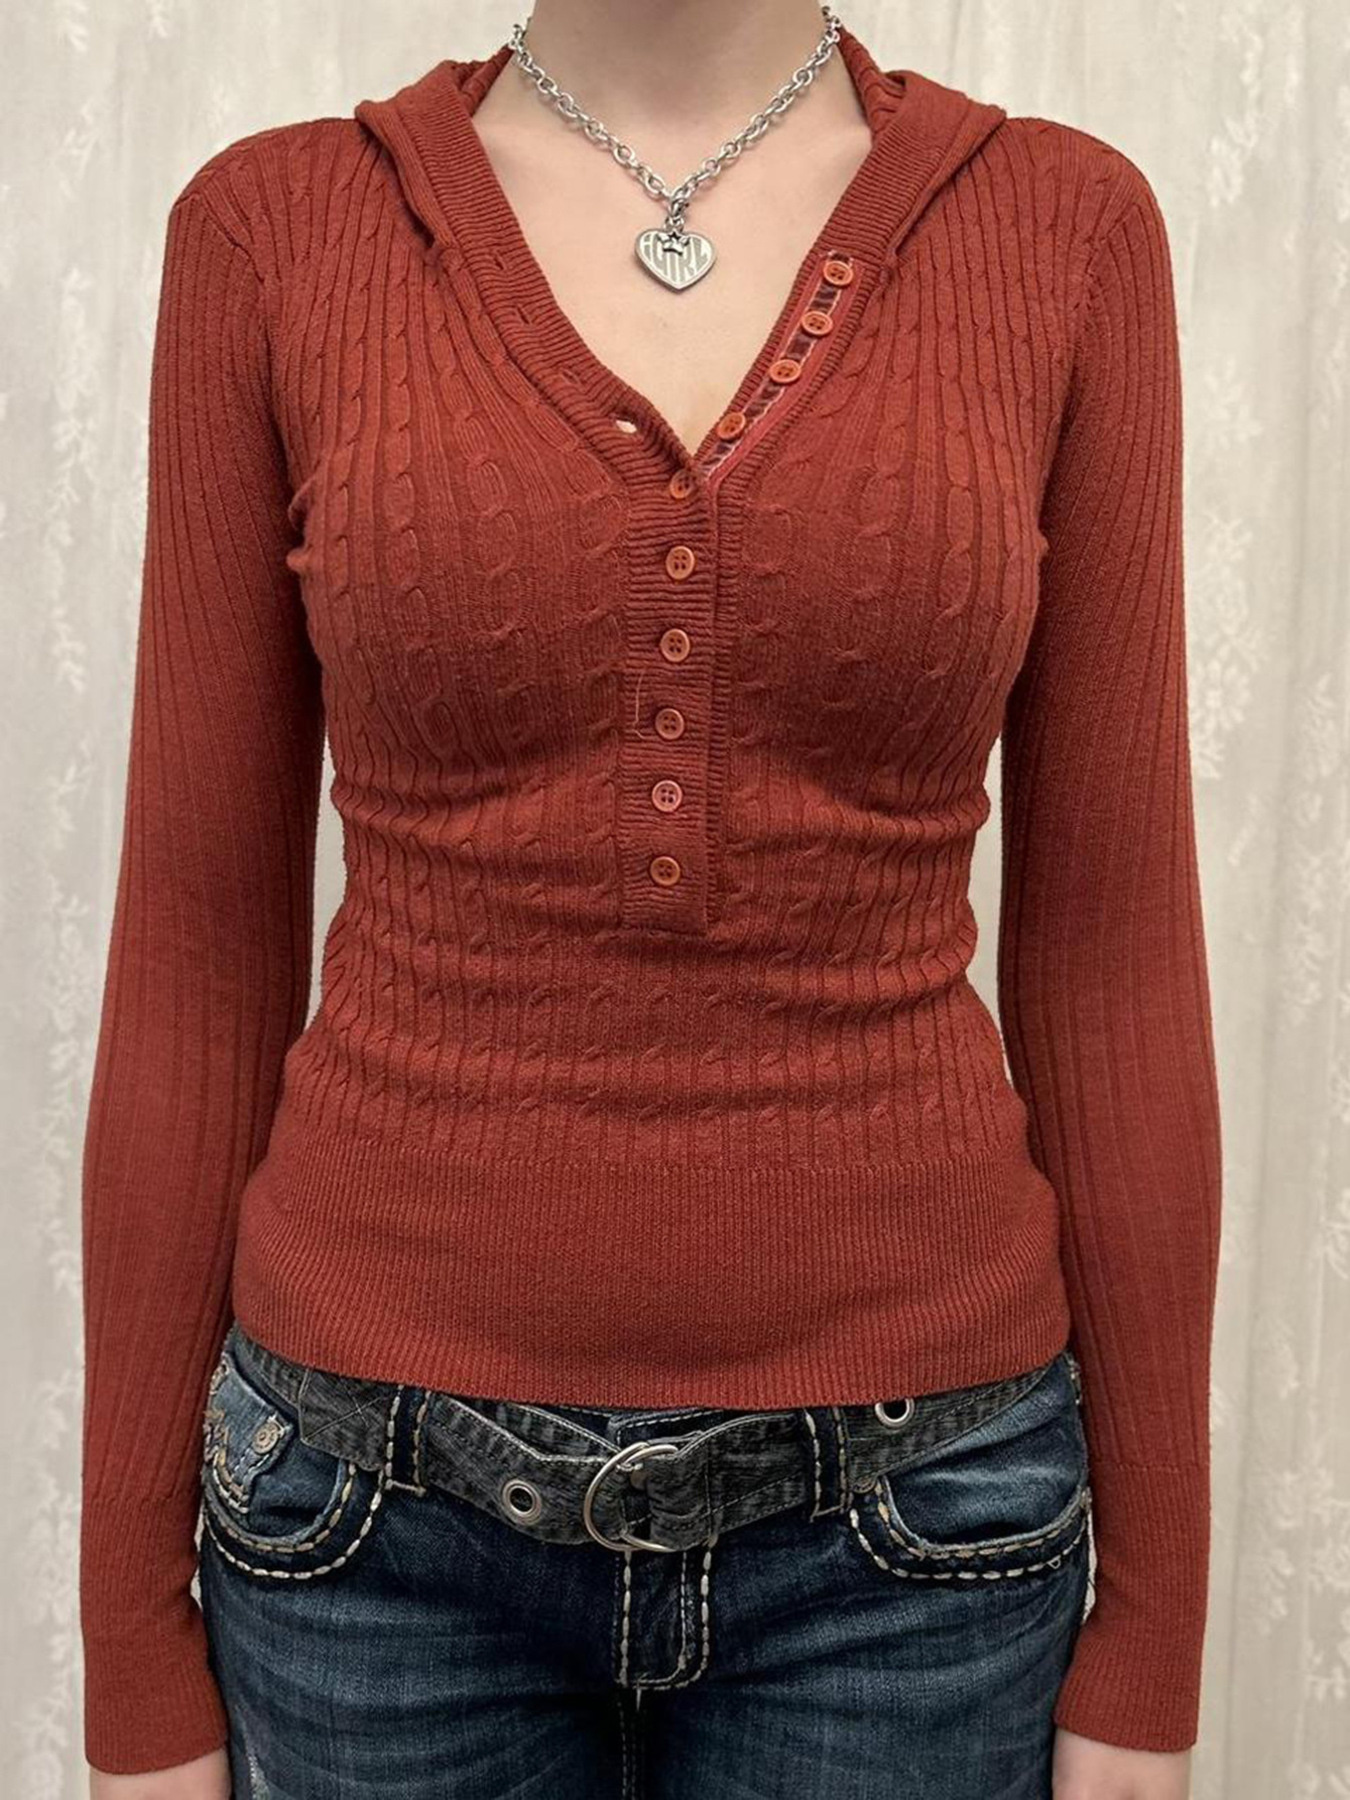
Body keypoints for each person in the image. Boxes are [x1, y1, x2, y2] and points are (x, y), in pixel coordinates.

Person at [79, 2, 1223, 1796]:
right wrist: (131, 1660)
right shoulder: (275, 229)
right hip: (367, 1533)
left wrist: (1149, 1653)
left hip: (918, 1539)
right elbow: (193, 962)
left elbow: (1114, 957)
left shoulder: (1059, 228)